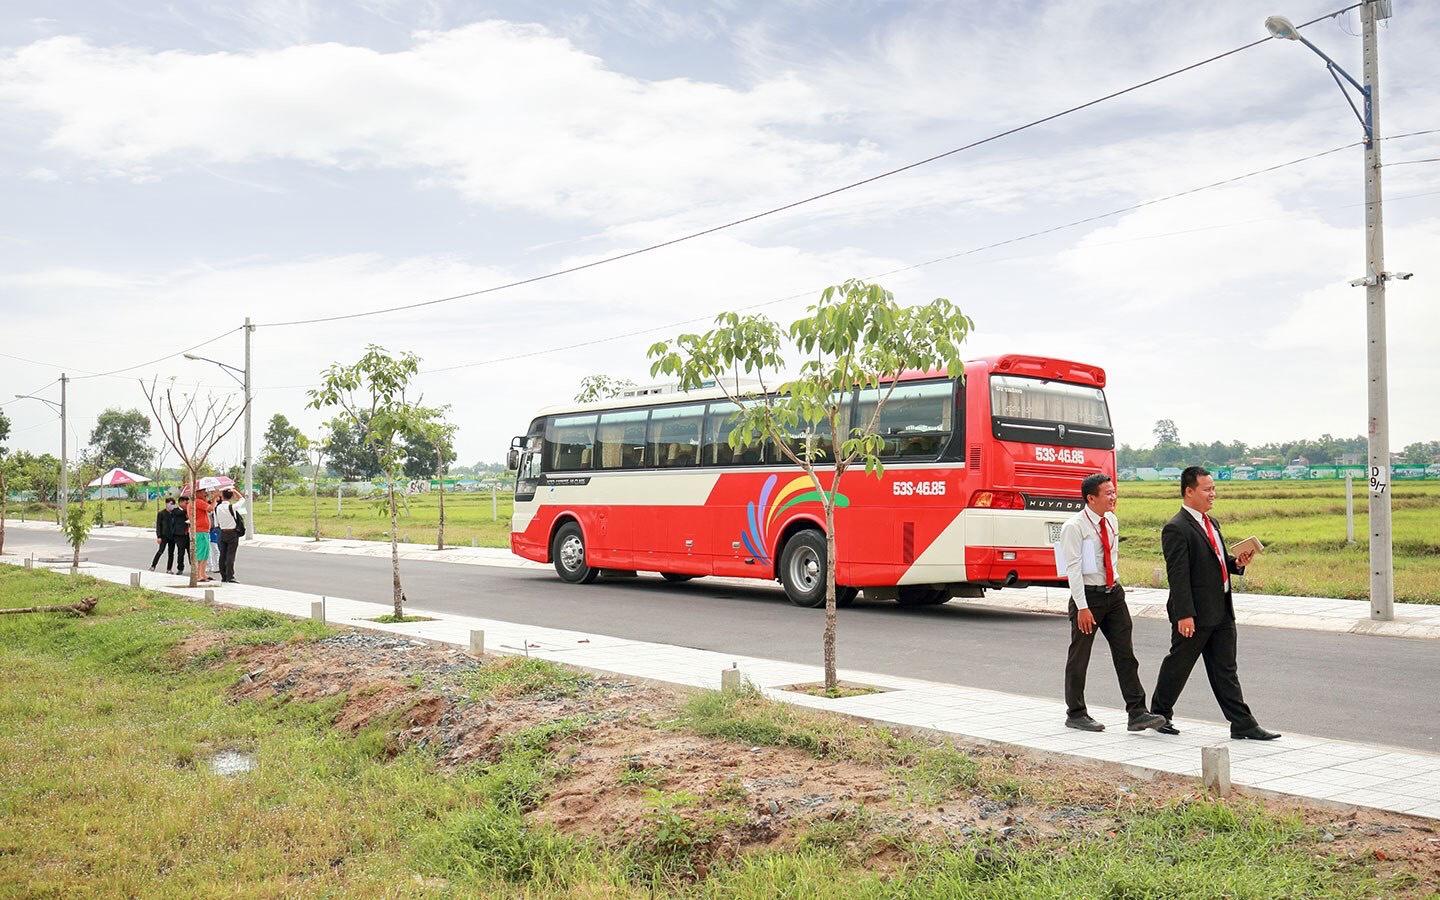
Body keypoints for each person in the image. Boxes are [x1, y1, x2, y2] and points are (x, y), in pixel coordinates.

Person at [1149, 466, 1279, 740]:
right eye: (1207, 489)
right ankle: (1160, 714)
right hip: (1194, 613)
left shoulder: (1212, 523)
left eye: (1213, 488)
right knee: (1179, 665)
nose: (1213, 494)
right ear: (1189, 491)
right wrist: (1185, 614)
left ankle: (1242, 723)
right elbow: (1179, 575)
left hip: (1221, 609)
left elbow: (1217, 561)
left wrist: (1237, 563)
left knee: (1225, 669)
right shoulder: (1176, 528)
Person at [1058, 473, 1167, 733]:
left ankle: (1137, 712)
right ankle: (1076, 713)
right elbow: (1073, 569)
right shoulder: (1074, 527)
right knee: (1080, 656)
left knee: (1125, 654)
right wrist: (1082, 606)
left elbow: (1111, 558)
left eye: (1114, 492)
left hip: (1114, 595)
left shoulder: (1112, 521)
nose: (1113, 497)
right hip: (1088, 597)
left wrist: (1115, 587)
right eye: (1108, 493)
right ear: (1091, 498)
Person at [150, 497, 187, 574]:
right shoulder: (161, 513)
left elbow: (181, 513)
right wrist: (159, 536)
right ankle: (153, 566)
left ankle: (169, 569)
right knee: (161, 551)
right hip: (164, 535)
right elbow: (158, 525)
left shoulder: (174, 512)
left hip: (172, 536)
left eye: (173, 504)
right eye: (170, 504)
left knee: (171, 553)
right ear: (166, 504)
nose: (172, 506)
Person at [215, 488, 244, 584]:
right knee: (230, 555)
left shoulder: (217, 508)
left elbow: (216, 523)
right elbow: (242, 499)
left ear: (222, 496)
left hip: (222, 532)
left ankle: (223, 576)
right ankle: (230, 576)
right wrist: (234, 491)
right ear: (231, 497)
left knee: (222, 555)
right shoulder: (232, 507)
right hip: (232, 533)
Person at [186, 489, 214, 583]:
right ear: (197, 493)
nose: (205, 493)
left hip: (203, 531)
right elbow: (211, 508)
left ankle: (202, 573)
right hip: (200, 531)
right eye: (203, 491)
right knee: (201, 553)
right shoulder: (197, 502)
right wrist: (215, 499)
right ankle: (198, 574)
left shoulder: (197, 502)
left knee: (205, 553)